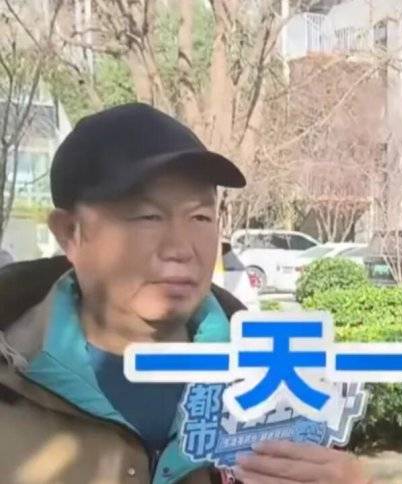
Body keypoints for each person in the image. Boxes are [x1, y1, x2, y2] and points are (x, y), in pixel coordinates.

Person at [0, 103, 368, 484]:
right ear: (69, 233)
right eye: (148, 217)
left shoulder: (274, 386)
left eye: (200, 218)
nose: (180, 248)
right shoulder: (13, 375)